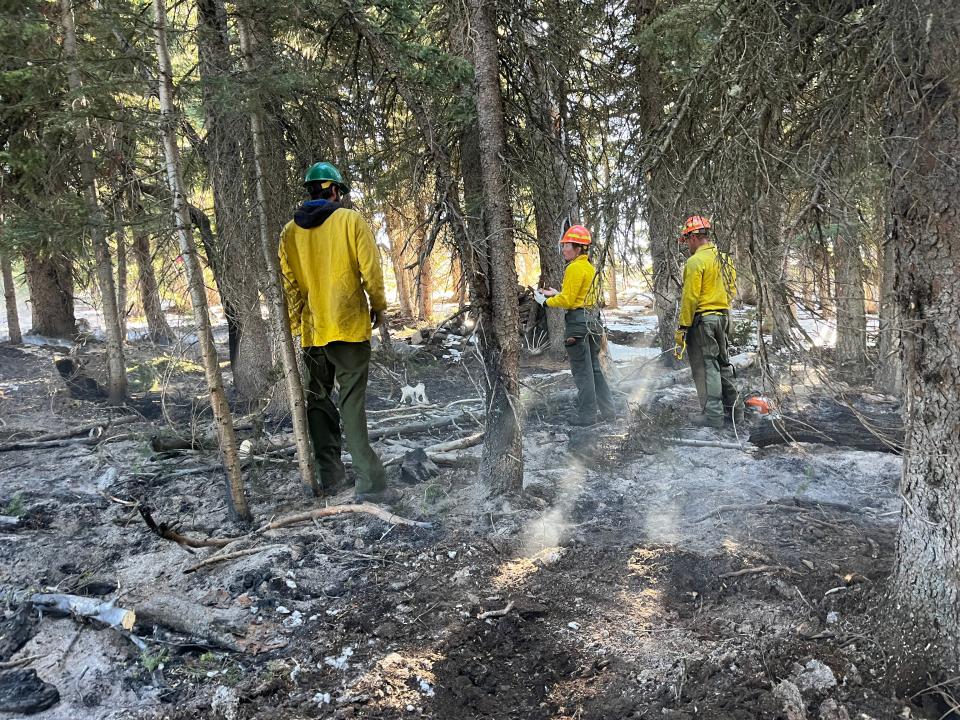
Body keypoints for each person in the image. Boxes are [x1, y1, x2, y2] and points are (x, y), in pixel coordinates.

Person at [279, 161, 392, 502]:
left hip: (314, 331)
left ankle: (329, 474)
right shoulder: (350, 220)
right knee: (351, 401)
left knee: (318, 400)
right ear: (334, 191)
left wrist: (299, 325)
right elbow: (370, 269)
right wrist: (378, 305)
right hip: (348, 326)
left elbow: (290, 287)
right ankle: (369, 482)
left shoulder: (289, 233)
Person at [535, 224, 615, 426]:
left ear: (578, 248)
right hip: (593, 322)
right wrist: (557, 293)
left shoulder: (573, 268)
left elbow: (569, 302)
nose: (563, 250)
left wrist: (545, 301)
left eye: (567, 246)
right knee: (595, 370)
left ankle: (587, 416)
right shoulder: (589, 267)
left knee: (583, 372)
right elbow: (580, 297)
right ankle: (609, 411)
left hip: (577, 324)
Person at [675, 215, 742, 428]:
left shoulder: (695, 262)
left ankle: (712, 416)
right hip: (723, 317)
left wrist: (683, 326)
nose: (686, 245)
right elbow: (731, 289)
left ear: (693, 237)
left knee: (707, 367)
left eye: (686, 240)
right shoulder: (724, 258)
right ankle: (735, 410)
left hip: (704, 321)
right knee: (722, 364)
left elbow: (690, 297)